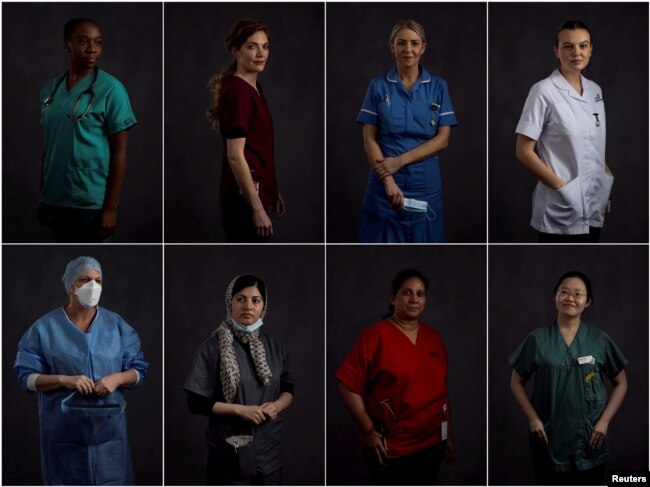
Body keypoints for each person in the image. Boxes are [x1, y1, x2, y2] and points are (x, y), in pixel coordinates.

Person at [14, 256, 149, 485]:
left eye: (98, 280)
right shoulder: (45, 328)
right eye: (85, 279)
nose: (93, 286)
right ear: (70, 286)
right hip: (63, 437)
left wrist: (117, 378)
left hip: (109, 440)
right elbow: (26, 378)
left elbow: (138, 370)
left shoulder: (117, 326)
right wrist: (65, 380)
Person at [336, 269, 455, 485]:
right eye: (407, 293)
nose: (414, 299)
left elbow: (442, 393)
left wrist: (448, 435)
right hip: (394, 448)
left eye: (420, 294)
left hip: (432, 443)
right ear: (393, 298)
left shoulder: (434, 339)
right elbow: (347, 386)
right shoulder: (375, 336)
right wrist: (369, 431)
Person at [509, 271, 628, 485]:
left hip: (590, 440)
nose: (570, 298)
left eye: (578, 294)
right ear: (554, 295)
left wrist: (604, 421)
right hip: (550, 440)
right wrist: (533, 419)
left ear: (588, 301)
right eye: (563, 292)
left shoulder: (599, 340)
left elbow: (621, 382)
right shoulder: (536, 340)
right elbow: (516, 381)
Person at [184, 275, 294, 484]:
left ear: (264, 306)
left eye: (256, 300)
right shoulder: (212, 347)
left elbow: (288, 389)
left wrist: (277, 406)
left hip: (268, 454)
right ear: (230, 302)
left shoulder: (274, 347)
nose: (248, 306)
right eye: (240, 299)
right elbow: (196, 402)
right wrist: (240, 410)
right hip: (229, 455)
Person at [356, 20, 457, 243]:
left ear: (423, 48)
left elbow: (443, 139)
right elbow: (369, 140)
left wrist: (400, 161)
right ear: (392, 46)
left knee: (427, 239)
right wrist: (388, 180)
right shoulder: (378, 86)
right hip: (384, 179)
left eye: (414, 43)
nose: (408, 50)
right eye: (401, 43)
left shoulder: (438, 86)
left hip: (425, 183)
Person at [37, 18, 137, 243]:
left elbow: (120, 153)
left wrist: (111, 209)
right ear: (67, 45)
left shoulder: (112, 89)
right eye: (83, 41)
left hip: (91, 201)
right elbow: (50, 148)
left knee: (91, 262)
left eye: (98, 42)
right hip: (56, 199)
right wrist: (43, 196)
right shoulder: (50, 90)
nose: (93, 49)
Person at [515, 21, 613, 243]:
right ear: (556, 51)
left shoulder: (595, 90)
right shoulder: (543, 91)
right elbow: (523, 151)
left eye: (582, 46)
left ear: (590, 50)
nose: (576, 53)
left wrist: (604, 173)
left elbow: (594, 140)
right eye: (568, 46)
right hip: (561, 206)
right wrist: (563, 188)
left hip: (594, 201)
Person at [206, 19, 285, 243]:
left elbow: (256, 148)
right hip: (244, 201)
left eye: (265, 46)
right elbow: (235, 155)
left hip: (259, 193)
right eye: (252, 46)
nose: (261, 53)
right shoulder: (239, 91)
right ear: (235, 51)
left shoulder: (254, 88)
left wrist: (272, 190)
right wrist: (258, 209)